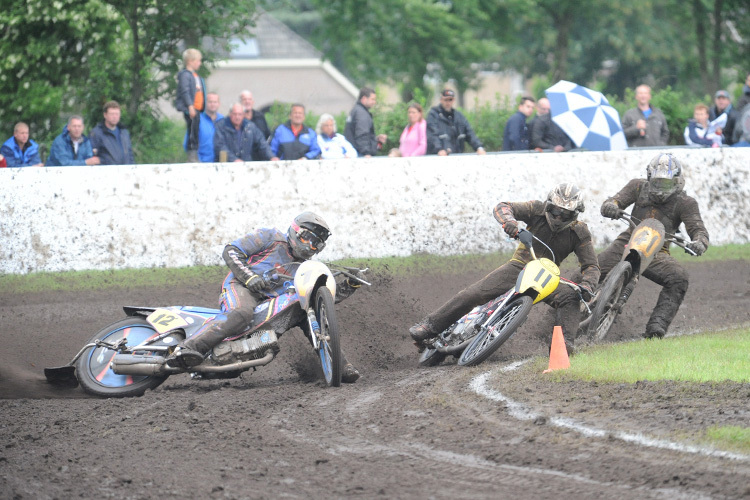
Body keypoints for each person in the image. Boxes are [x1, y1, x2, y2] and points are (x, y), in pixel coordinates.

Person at [165, 211, 362, 383]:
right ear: (295, 231)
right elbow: (231, 250)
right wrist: (250, 277)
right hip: (241, 286)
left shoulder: (304, 270)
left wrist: (350, 284)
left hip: (268, 303)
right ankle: (186, 348)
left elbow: (319, 300)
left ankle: (339, 365)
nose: (310, 246)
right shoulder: (270, 237)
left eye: (316, 244)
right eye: (306, 238)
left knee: (304, 313)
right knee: (241, 313)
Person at [409, 183, 600, 356]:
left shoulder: (580, 232)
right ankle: (429, 326)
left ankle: (563, 348)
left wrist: (588, 284)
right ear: (548, 205)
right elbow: (502, 206)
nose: (558, 217)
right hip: (519, 266)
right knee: (474, 294)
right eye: (555, 211)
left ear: (574, 215)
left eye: (565, 214)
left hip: (547, 278)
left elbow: (591, 265)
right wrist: (510, 222)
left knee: (570, 297)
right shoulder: (536, 209)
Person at [599, 153, 709, 339]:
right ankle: (564, 308)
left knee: (678, 278)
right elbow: (613, 201)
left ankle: (656, 328)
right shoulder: (637, 186)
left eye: (666, 184)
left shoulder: (686, 202)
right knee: (590, 270)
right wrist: (611, 206)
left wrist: (699, 243)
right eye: (657, 183)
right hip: (627, 240)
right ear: (649, 178)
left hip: (657, 251)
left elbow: (699, 230)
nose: (660, 189)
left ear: (677, 182)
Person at [426, 89, 486, 156]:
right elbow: (432, 135)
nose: (448, 102)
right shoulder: (433, 115)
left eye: (450, 100)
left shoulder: (459, 117)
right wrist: (439, 149)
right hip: (439, 157)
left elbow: (470, 133)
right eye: (445, 100)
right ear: (441, 100)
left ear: (453, 100)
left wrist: (479, 147)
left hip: (457, 156)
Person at [214, 103, 278, 162]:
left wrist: (271, 157)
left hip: (246, 166)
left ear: (243, 115)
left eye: (240, 114)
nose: (237, 117)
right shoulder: (221, 126)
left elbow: (262, 143)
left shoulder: (250, 126)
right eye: (235, 114)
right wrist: (234, 160)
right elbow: (220, 146)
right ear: (230, 114)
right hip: (226, 166)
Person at [175, 48, 206, 162]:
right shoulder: (185, 75)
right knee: (192, 132)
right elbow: (184, 91)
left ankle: (194, 152)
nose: (200, 63)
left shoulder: (194, 75)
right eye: (198, 61)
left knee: (196, 131)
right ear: (190, 61)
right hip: (191, 109)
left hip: (197, 109)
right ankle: (192, 154)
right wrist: (190, 106)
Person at [344, 87, 388, 157]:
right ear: (364, 99)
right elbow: (362, 134)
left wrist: (375, 140)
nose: (374, 102)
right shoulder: (361, 113)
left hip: (353, 152)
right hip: (360, 154)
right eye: (372, 99)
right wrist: (366, 153)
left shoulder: (356, 110)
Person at [89, 101, 135, 165]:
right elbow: (93, 157)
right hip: (107, 173)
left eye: (117, 114)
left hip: (125, 172)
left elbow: (130, 155)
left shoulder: (124, 132)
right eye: (112, 114)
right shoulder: (96, 133)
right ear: (105, 115)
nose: (114, 117)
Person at [183, 92, 224, 163]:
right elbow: (188, 143)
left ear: (219, 104)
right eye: (210, 102)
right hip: (201, 163)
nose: (213, 104)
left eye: (215, 102)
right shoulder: (197, 120)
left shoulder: (223, 120)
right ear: (204, 103)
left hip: (219, 164)